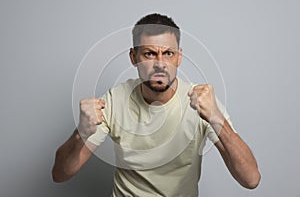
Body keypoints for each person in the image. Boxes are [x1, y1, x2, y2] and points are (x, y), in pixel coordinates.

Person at [52, 13, 261, 196]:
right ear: (134, 58)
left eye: (168, 53)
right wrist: (81, 133)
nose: (160, 63)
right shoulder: (114, 100)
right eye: (149, 54)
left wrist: (217, 119)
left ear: (179, 57)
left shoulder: (203, 101)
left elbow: (250, 180)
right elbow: (60, 174)